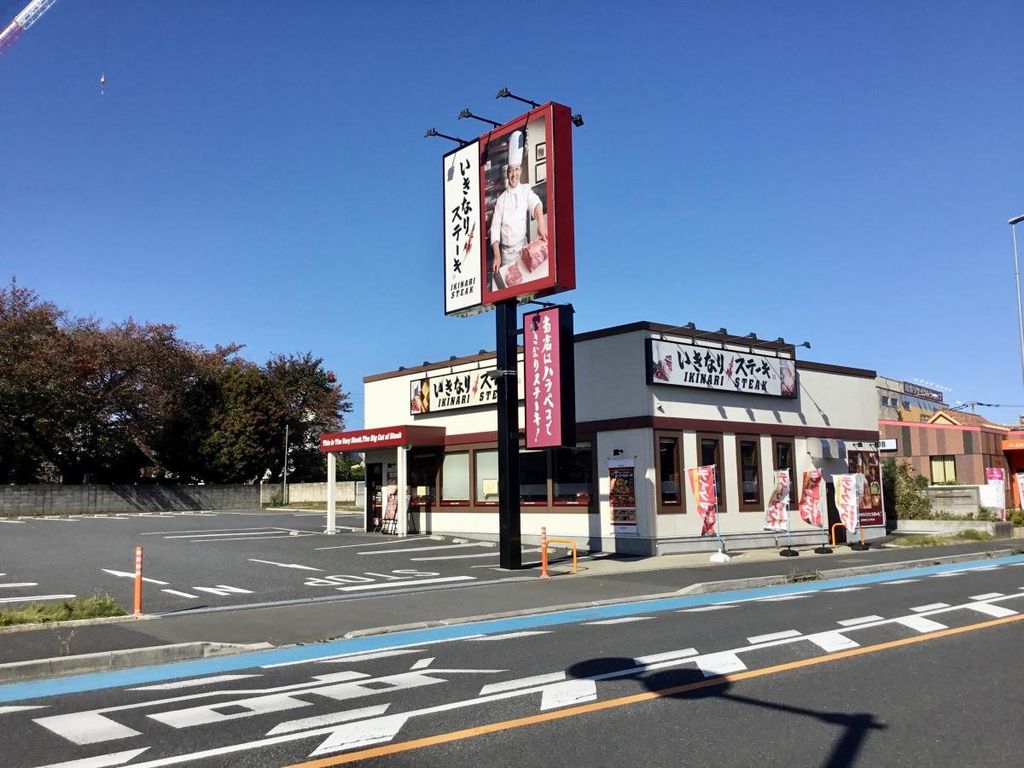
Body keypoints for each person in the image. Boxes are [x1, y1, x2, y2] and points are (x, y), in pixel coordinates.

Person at [490, 130, 547, 280]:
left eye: (516, 169)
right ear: (507, 173)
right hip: (505, 254)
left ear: (520, 171)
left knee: (526, 281)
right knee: (507, 284)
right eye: (510, 171)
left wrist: (541, 225)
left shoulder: (525, 190)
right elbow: (495, 229)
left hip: (523, 250)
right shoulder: (501, 200)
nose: (513, 174)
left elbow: (536, 205)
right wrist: (496, 256)